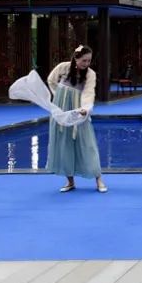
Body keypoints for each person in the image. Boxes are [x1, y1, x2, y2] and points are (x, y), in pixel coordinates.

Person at [46, 45, 108, 193]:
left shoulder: (90, 74)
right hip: (61, 108)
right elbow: (51, 80)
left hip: (78, 109)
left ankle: (99, 179)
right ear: (76, 58)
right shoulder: (63, 67)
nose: (86, 63)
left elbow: (89, 92)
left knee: (87, 143)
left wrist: (86, 108)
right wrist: (58, 95)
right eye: (84, 60)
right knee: (64, 142)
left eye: (89, 61)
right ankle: (70, 181)